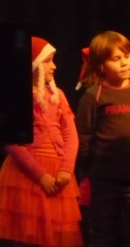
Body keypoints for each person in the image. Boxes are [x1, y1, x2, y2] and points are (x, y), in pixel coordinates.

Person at [0, 37, 82, 246]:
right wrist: (41, 176)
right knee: (29, 235)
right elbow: (12, 142)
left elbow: (70, 134)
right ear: (33, 63)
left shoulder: (58, 95)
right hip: (28, 175)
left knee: (58, 236)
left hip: (59, 173)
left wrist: (66, 168)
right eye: (48, 60)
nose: (54, 66)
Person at [75, 31, 130, 246]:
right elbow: (83, 136)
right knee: (103, 234)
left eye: (126, 56)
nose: (124, 63)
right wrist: (90, 171)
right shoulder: (94, 96)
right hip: (104, 180)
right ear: (101, 65)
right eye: (116, 59)